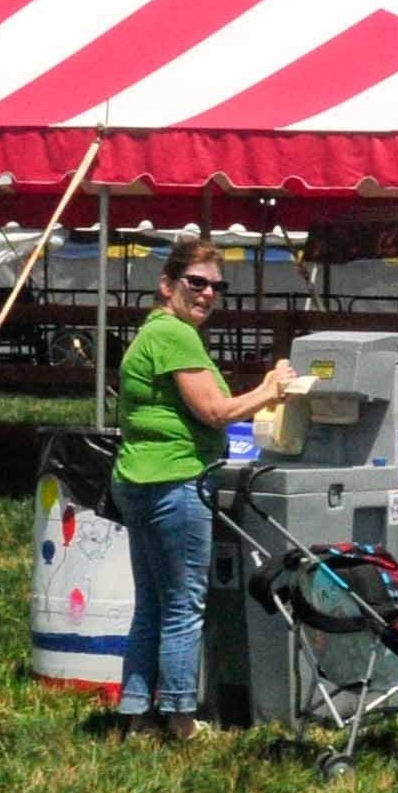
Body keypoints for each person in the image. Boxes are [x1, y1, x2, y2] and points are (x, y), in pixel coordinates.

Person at [99, 235, 296, 741]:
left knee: (153, 604)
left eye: (217, 286)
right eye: (197, 282)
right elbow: (213, 411)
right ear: (167, 285)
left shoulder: (154, 332)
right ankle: (181, 719)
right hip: (175, 481)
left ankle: (137, 716)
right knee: (184, 606)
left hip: (137, 479)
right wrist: (270, 390)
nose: (208, 293)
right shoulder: (175, 336)